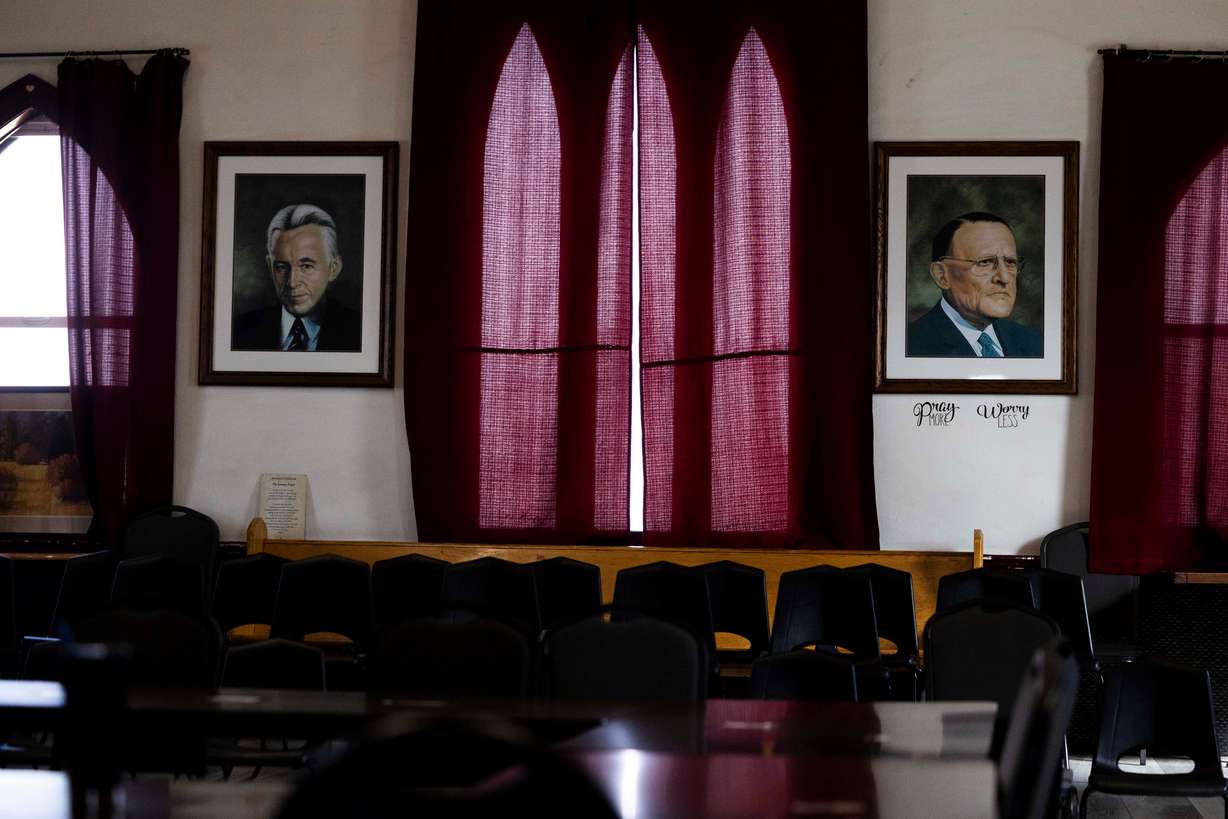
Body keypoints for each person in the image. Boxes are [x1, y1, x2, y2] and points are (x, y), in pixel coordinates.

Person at [906, 211, 1042, 358]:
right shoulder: (911, 347)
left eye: (1010, 262)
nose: (1004, 277)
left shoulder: (1035, 344)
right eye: (985, 262)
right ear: (942, 276)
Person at [231, 204, 362, 352]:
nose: (292, 282)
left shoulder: (359, 332)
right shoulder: (238, 331)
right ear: (269, 266)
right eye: (281, 267)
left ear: (334, 268)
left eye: (306, 266)